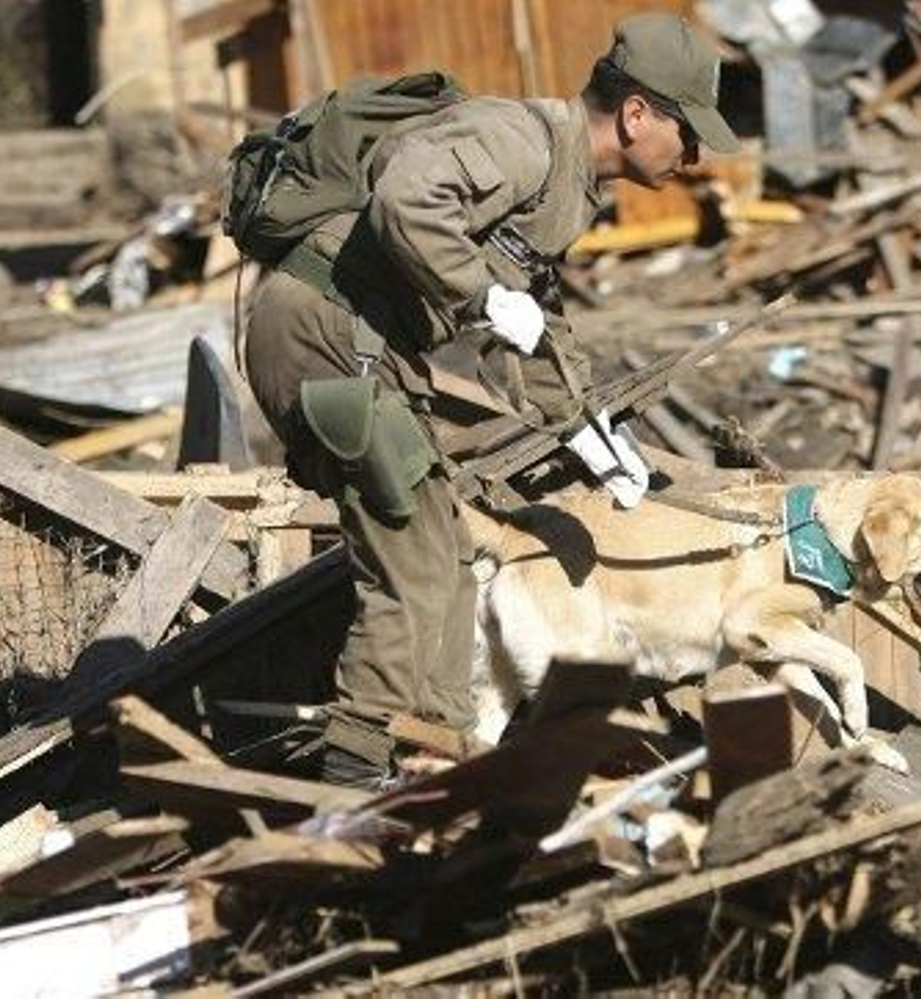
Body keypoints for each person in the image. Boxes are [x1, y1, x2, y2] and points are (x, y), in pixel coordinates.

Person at [241, 14, 740, 786]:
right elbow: (407, 198)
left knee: (446, 551)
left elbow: (536, 323)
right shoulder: (524, 140)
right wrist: (479, 295)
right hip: (323, 331)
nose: (695, 155)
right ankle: (355, 771)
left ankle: (432, 748)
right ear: (637, 114)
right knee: (412, 554)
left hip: (362, 345)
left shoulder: (569, 185)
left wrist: (590, 431)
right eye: (689, 131)